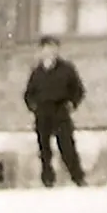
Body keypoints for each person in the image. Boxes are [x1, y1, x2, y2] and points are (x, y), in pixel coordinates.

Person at [23, 35, 87, 187]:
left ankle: (78, 178)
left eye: (52, 48)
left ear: (57, 50)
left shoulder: (66, 69)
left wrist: (72, 103)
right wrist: (34, 106)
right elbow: (28, 94)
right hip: (43, 113)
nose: (49, 52)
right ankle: (47, 179)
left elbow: (78, 90)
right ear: (41, 51)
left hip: (61, 111)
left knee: (67, 146)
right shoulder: (37, 72)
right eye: (46, 48)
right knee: (44, 149)